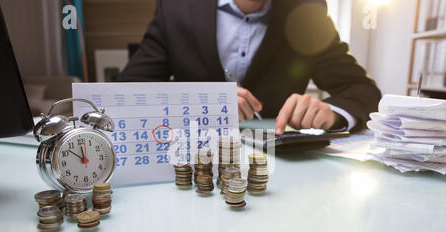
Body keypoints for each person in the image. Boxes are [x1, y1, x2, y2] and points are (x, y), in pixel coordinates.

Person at [118, 0, 382, 133]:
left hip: (282, 173)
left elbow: (362, 90)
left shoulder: (308, 12)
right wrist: (201, 102)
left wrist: (332, 113)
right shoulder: (176, 7)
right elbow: (127, 92)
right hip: (190, 161)